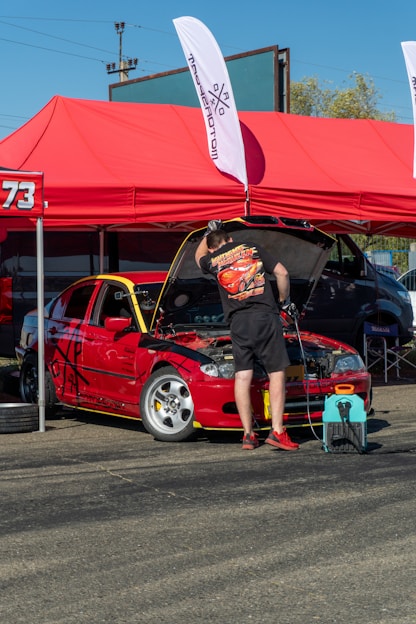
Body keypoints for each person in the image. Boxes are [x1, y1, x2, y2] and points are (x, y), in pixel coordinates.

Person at [195, 221, 299, 451]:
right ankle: (278, 430)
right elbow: (282, 272)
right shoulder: (250, 248)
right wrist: (284, 301)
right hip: (265, 317)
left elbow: (198, 256)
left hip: (238, 323)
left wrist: (206, 234)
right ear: (230, 240)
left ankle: (248, 435)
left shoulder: (211, 260)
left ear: (212, 246)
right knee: (276, 373)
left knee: (242, 376)